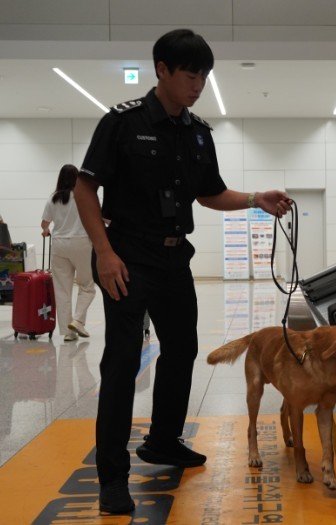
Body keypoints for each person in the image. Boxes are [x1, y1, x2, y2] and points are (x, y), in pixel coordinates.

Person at [73, 29, 291, 515]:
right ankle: (112, 477)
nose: (198, 85)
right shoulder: (122, 123)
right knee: (123, 361)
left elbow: (210, 192)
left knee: (183, 349)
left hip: (174, 258)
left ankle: (164, 441)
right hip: (126, 256)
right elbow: (85, 189)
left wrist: (256, 199)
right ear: (162, 70)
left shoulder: (197, 132)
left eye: (204, 77)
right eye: (190, 75)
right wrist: (105, 253)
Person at [41, 164, 96, 342]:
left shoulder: (53, 198)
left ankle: (68, 332)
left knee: (62, 289)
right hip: (81, 243)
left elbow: (44, 224)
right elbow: (99, 217)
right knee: (87, 286)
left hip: (59, 245)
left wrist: (46, 231)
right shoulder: (83, 196)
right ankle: (78, 321)